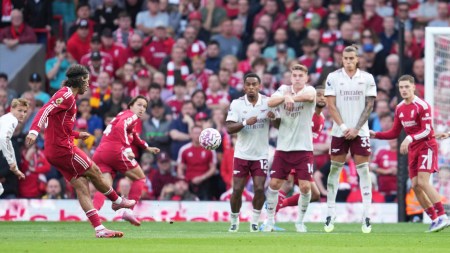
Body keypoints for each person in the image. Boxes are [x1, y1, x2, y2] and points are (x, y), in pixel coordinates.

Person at [25, 64, 136, 238]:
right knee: (95, 171)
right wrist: (33, 130)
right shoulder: (66, 95)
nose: (88, 84)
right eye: (86, 80)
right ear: (79, 79)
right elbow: (44, 110)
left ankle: (99, 229)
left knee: (82, 186)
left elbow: (58, 125)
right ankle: (117, 201)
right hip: (63, 149)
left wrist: (77, 134)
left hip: (55, 150)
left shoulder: (69, 97)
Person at [370, 75, 448, 232]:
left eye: (407, 87)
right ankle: (434, 219)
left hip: (426, 146)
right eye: (401, 87)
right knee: (415, 185)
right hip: (413, 148)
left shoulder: (422, 105)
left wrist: (409, 138)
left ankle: (443, 216)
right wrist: (376, 134)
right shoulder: (399, 108)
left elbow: (427, 130)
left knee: (423, 182)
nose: (404, 90)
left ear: (413, 87)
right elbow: (394, 132)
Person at [324, 45, 377, 234]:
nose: (348, 61)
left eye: (351, 58)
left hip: (360, 131)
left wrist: (356, 128)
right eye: (345, 58)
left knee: (364, 172)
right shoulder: (333, 77)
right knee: (334, 171)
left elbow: (369, 105)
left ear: (357, 59)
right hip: (340, 132)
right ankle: (330, 212)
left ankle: (367, 215)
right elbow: (330, 106)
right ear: (341, 59)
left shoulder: (367, 78)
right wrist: (346, 128)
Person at [263, 64, 316, 232]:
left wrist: (290, 98)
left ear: (306, 77)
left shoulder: (311, 90)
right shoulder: (283, 89)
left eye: (301, 75)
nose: (298, 78)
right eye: (295, 75)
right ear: (291, 77)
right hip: (284, 147)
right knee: (274, 184)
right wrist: (286, 96)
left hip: (304, 148)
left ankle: (300, 222)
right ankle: (270, 220)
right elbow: (270, 101)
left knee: (306, 187)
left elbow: (307, 97)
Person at [92, 95, 160, 226]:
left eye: (144, 107)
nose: (142, 109)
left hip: (100, 153)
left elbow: (133, 135)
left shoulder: (123, 114)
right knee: (140, 178)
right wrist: (128, 149)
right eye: (139, 105)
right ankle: (128, 212)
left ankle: (93, 214)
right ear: (131, 106)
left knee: (105, 185)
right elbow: (120, 128)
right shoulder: (131, 116)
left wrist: (147, 147)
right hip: (114, 151)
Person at [225, 73, 275, 232]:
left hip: (260, 155)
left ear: (259, 86)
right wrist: (246, 122)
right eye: (248, 84)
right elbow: (229, 128)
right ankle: (234, 219)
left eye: (255, 84)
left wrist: (275, 118)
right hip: (242, 154)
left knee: (260, 188)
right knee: (237, 189)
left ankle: (254, 220)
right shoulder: (237, 104)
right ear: (244, 86)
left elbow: (279, 124)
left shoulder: (268, 102)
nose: (251, 87)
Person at [276, 86, 327, 211]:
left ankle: (277, 206)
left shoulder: (322, 119)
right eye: (318, 94)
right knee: (287, 184)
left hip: (306, 158)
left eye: (324, 95)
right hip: (294, 152)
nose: (321, 97)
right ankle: (268, 219)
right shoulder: (305, 112)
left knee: (314, 195)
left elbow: (311, 143)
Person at [0, 98, 28, 196]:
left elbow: (9, 145)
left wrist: (13, 168)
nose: (22, 114)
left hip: (8, 187)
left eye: (25, 112)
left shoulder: (8, 120)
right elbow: (4, 140)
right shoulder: (11, 121)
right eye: (20, 111)